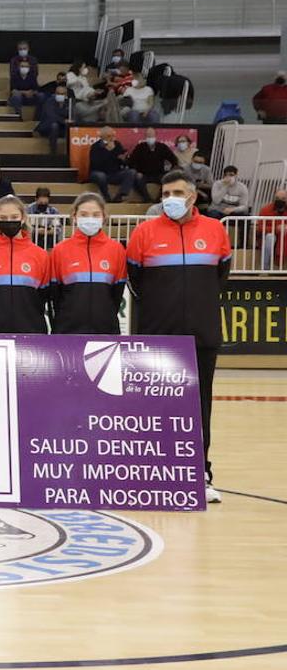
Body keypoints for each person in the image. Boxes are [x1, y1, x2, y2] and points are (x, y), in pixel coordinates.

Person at [126, 171, 230, 503]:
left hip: (203, 335)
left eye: (177, 192)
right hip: (158, 337)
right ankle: (152, 470)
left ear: (192, 196)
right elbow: (135, 281)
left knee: (200, 408)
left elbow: (220, 276)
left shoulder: (216, 231)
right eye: (165, 192)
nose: (170, 198)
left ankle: (201, 472)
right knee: (154, 408)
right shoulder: (143, 232)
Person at [49, 193, 126, 335]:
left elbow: (117, 295)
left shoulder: (116, 249)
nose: (90, 219)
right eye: (84, 214)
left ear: (103, 218)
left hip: (106, 329)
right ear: (74, 216)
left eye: (96, 215)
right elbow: (56, 296)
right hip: (67, 330)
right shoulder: (60, 250)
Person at [0, 196, 50, 334]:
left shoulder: (40, 255)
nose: (9, 221)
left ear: (23, 218)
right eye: (3, 218)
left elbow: (44, 296)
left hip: (32, 333)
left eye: (14, 216)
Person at [127, 128, 178, 202]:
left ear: (155, 136)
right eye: (148, 136)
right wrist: (137, 172)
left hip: (159, 174)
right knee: (136, 179)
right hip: (143, 175)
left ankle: (158, 199)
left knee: (168, 179)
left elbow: (173, 160)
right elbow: (131, 162)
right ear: (145, 137)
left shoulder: (162, 147)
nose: (150, 138)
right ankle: (147, 198)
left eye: (152, 136)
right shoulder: (140, 147)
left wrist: (171, 170)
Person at [87, 126, 137, 202]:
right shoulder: (96, 146)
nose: (112, 138)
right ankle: (106, 196)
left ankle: (120, 195)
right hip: (99, 173)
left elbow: (124, 161)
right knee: (101, 176)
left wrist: (124, 159)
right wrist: (109, 151)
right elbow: (96, 164)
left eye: (113, 136)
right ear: (102, 137)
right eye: (109, 136)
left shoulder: (117, 144)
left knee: (131, 172)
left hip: (114, 173)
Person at [257, 188, 287, 269]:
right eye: (277, 198)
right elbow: (260, 228)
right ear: (274, 198)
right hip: (268, 239)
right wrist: (276, 229)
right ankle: (264, 269)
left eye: (283, 199)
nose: (280, 200)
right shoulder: (265, 210)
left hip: (285, 237)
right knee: (270, 237)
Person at [36, 85, 70, 154]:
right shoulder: (49, 101)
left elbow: (71, 115)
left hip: (62, 127)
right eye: (58, 93)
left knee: (69, 127)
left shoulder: (68, 103)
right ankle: (53, 151)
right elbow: (51, 115)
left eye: (62, 94)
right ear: (55, 93)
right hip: (47, 126)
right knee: (54, 125)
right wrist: (64, 120)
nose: (60, 95)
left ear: (66, 94)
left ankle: (68, 152)